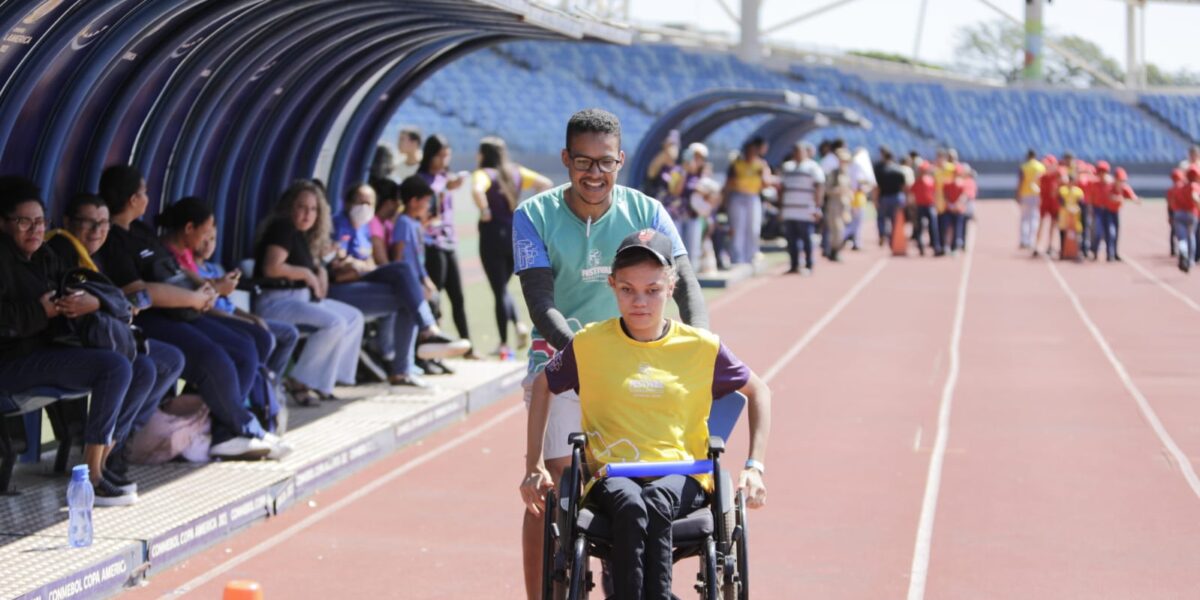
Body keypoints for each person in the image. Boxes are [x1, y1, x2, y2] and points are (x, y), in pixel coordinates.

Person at [512, 108, 709, 599]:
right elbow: (541, 303)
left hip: (639, 365)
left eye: (605, 162)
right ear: (565, 160)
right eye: (583, 162)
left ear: (620, 161)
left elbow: (685, 285)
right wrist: (590, 355)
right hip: (566, 363)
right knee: (557, 491)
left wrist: (698, 346)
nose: (594, 173)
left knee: (640, 482)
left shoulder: (647, 211)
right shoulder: (532, 216)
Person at [519, 229, 770, 600]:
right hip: (609, 473)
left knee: (654, 501)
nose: (640, 302)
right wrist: (534, 462)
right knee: (631, 502)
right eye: (627, 289)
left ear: (671, 287)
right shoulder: (589, 344)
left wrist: (755, 464)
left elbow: (759, 390)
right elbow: (543, 385)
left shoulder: (700, 347)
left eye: (652, 290)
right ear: (612, 285)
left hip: (683, 473)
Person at [94, 165, 283, 460]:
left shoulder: (141, 230)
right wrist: (194, 298)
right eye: (143, 192)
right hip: (153, 317)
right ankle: (243, 426)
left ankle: (224, 431)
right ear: (132, 199)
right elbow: (139, 291)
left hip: (184, 308)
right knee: (214, 357)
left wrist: (208, 287)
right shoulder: (115, 240)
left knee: (248, 346)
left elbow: (176, 268)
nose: (147, 197)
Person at [0, 177, 143, 505]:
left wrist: (81, 304)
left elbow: (71, 286)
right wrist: (40, 312)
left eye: (39, 222)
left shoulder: (44, 256)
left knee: (143, 365)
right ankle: (91, 478)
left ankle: (105, 462)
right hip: (10, 363)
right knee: (114, 367)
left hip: (44, 351)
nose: (35, 230)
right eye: (24, 222)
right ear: (3, 223)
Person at [46, 193, 188, 478]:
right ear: (67, 222)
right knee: (141, 367)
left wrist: (116, 303)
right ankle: (105, 456)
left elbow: (121, 299)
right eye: (88, 223)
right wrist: (115, 303)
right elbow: (82, 301)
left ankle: (117, 444)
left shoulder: (98, 254)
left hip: (109, 337)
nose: (97, 230)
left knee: (171, 359)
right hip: (77, 343)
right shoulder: (61, 249)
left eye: (103, 223)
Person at [329, 182, 469, 385]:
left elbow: (365, 262)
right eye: (360, 202)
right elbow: (338, 265)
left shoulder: (365, 229)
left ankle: (402, 371)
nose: (365, 208)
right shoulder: (340, 223)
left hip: (361, 281)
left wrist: (359, 265)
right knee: (402, 270)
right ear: (348, 203)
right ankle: (428, 330)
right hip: (340, 289)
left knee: (409, 297)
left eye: (370, 203)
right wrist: (358, 265)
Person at [254, 179, 365, 399]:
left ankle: (328, 380)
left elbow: (314, 273)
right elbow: (272, 267)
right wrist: (307, 274)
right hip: (276, 301)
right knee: (335, 323)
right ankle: (301, 380)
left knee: (354, 317)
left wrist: (319, 270)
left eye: (313, 209)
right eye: (302, 207)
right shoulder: (283, 226)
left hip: (300, 299)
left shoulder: (302, 235)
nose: (307, 214)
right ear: (290, 207)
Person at [189, 225, 302, 408]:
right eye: (204, 238)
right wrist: (245, 322)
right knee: (263, 339)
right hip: (219, 320)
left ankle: (268, 386)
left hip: (234, 316)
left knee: (289, 333)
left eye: (212, 239)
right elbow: (207, 308)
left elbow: (230, 305)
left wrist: (252, 318)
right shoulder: (191, 270)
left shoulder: (214, 269)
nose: (208, 244)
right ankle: (252, 395)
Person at [471, 137, 551, 356]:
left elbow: (477, 190)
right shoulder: (516, 171)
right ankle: (518, 324)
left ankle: (504, 343)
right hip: (514, 235)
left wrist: (485, 210)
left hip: (492, 236)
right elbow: (544, 183)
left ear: (483, 154)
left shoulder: (484, 173)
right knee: (503, 287)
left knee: (498, 290)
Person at [417, 134, 473, 355]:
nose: (443, 161)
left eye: (447, 156)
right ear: (430, 155)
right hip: (432, 244)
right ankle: (434, 344)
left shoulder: (445, 177)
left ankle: (468, 345)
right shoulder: (422, 179)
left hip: (449, 242)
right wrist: (445, 188)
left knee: (457, 297)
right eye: (440, 156)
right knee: (435, 298)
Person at [723, 137, 770, 265]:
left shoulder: (761, 165)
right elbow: (728, 184)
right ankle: (737, 257)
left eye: (754, 151)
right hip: (738, 196)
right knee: (738, 227)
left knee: (753, 228)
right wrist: (725, 201)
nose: (751, 154)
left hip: (753, 197)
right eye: (749, 151)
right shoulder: (736, 164)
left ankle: (752, 255)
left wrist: (763, 172)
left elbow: (766, 182)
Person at [779, 142, 824, 274]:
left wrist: (817, 208)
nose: (797, 154)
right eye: (795, 151)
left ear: (805, 152)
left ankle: (809, 264)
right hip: (789, 210)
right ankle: (794, 265)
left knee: (807, 239)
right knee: (791, 240)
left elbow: (819, 188)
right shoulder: (787, 167)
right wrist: (781, 208)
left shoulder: (813, 167)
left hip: (805, 210)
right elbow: (782, 189)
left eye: (800, 151)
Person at [677, 142, 714, 263]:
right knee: (677, 251)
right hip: (678, 216)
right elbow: (676, 191)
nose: (697, 161)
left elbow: (712, 195)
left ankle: (691, 279)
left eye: (700, 158)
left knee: (692, 251)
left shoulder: (704, 175)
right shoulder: (679, 171)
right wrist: (685, 171)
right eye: (694, 157)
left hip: (694, 217)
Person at [822, 148, 854, 262]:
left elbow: (849, 189)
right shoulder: (834, 174)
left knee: (843, 229)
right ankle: (833, 251)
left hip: (844, 205)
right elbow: (827, 189)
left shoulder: (847, 174)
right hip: (834, 204)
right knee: (836, 229)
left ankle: (835, 250)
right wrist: (838, 190)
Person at [873, 147, 908, 249]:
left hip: (884, 197)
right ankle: (893, 238)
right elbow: (904, 186)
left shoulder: (880, 170)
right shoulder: (899, 170)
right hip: (897, 197)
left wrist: (875, 199)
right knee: (895, 220)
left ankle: (882, 234)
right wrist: (904, 198)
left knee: (881, 218)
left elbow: (877, 187)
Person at [1016, 150, 1046, 250]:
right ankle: (1032, 240)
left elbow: (1020, 181)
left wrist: (1018, 194)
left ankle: (1024, 240)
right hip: (1037, 194)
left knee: (1024, 218)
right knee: (1034, 217)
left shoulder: (1024, 167)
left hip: (1025, 193)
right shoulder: (1041, 167)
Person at [910, 162, 941, 257]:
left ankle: (935, 246)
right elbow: (912, 195)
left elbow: (934, 194)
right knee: (921, 228)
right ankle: (923, 247)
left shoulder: (930, 181)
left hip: (928, 206)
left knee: (932, 227)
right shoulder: (918, 182)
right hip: (921, 207)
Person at [1033, 155, 1061, 258]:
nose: (1047, 167)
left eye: (1049, 165)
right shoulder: (1043, 176)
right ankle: (1037, 245)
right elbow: (1035, 183)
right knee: (1041, 224)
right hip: (1044, 203)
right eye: (1046, 165)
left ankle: (1050, 245)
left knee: (1053, 225)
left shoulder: (1058, 176)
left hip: (1054, 204)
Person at [1173, 166, 1200, 273]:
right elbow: (1194, 197)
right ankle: (1190, 260)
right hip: (1190, 214)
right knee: (1191, 236)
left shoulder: (1181, 186)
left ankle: (1183, 253)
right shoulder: (1194, 186)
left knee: (1182, 239)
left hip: (1179, 214)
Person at [1058, 171, 1086, 262]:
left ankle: (1077, 252)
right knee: (1063, 234)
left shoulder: (1078, 191)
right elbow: (1060, 201)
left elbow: (1081, 203)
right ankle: (1063, 252)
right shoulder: (1062, 190)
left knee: (1077, 236)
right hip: (1064, 217)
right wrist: (1068, 207)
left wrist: (1075, 208)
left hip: (1075, 217)